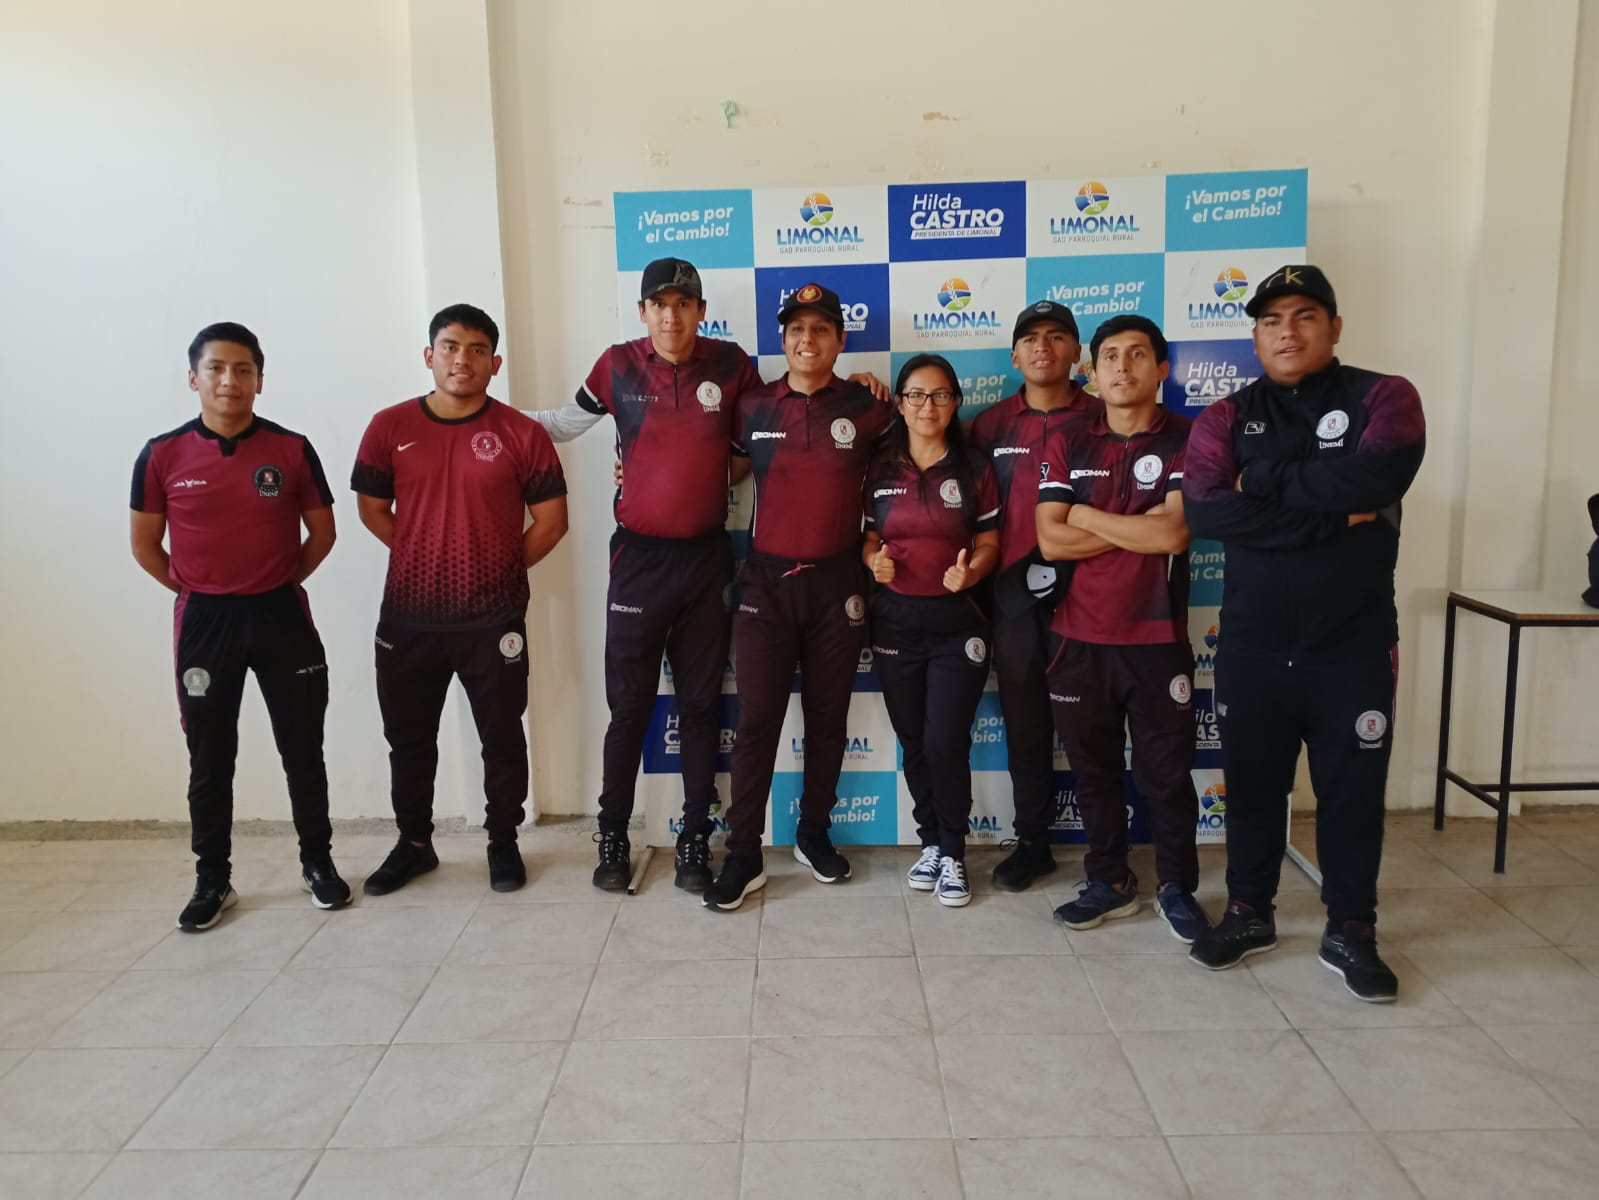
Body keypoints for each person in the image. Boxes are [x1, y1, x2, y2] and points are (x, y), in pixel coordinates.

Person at [1182, 265, 1425, 1002]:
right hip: (1252, 646)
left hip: (1351, 648)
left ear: (1334, 326)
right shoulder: (1225, 417)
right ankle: (1249, 913)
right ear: (1255, 336)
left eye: (1304, 315)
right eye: (1270, 320)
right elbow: (1206, 512)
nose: (1287, 331)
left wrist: (1259, 482)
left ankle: (1351, 928)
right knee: (1253, 791)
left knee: (1352, 796)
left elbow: (1376, 481)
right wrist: (1329, 512)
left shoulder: (1384, 396)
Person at [130, 322, 345, 931]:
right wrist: (198, 590)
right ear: (193, 377)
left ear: (259, 379)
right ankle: (212, 879)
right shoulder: (162, 454)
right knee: (210, 755)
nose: (230, 380)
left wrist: (275, 581)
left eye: (243, 369)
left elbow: (323, 533)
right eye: (217, 368)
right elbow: (145, 546)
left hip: (280, 615)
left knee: (303, 748)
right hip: (205, 622)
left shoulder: (291, 449)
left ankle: (318, 863)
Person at [351, 304, 568, 896]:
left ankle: (503, 840)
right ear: (429, 355)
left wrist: (495, 566)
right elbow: (372, 509)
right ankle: (414, 845)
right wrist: (421, 552)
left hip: (493, 619)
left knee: (501, 736)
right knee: (409, 739)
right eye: (449, 347)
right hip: (409, 618)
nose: (461, 359)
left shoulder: (521, 434)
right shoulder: (389, 427)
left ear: (495, 363)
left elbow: (552, 522)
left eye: (476, 350)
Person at [702, 283, 894, 910]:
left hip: (839, 586)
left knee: (828, 718)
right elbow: (716, 467)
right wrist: (637, 472)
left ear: (841, 339)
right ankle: (744, 854)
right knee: (756, 721)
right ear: (783, 340)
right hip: (766, 585)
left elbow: (907, 474)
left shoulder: (869, 408)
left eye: (820, 330)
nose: (807, 340)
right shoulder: (752, 405)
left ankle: (813, 833)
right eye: (796, 331)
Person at [1036, 315, 1207, 941]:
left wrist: (1085, 514)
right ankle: (1109, 882)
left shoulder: (1189, 437)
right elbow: (1050, 541)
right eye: (1110, 355)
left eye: (1137, 355)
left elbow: (1174, 533)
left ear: (1162, 369)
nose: (1122, 366)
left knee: (1166, 776)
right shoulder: (1069, 440)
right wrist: (1134, 524)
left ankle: (1177, 886)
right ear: (1092, 370)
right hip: (1078, 639)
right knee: (1094, 773)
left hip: (1157, 642)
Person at [968, 302, 1103, 890]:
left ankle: (1108, 853)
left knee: (1094, 727)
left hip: (1092, 597)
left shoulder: (1105, 416)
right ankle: (1032, 843)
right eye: (1030, 338)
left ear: (1077, 352)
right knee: (1025, 726)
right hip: (1014, 601)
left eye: (1056, 336)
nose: (1043, 347)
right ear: (1014, 356)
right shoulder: (989, 425)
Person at [864, 355, 1001, 907]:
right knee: (915, 741)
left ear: (955, 403)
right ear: (899, 403)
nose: (928, 406)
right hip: (896, 623)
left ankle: (954, 853)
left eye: (940, 395)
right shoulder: (878, 468)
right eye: (916, 396)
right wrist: (874, 561)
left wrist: (972, 572)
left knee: (946, 739)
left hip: (958, 625)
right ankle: (931, 843)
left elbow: (990, 542)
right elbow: (868, 539)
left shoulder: (974, 468)